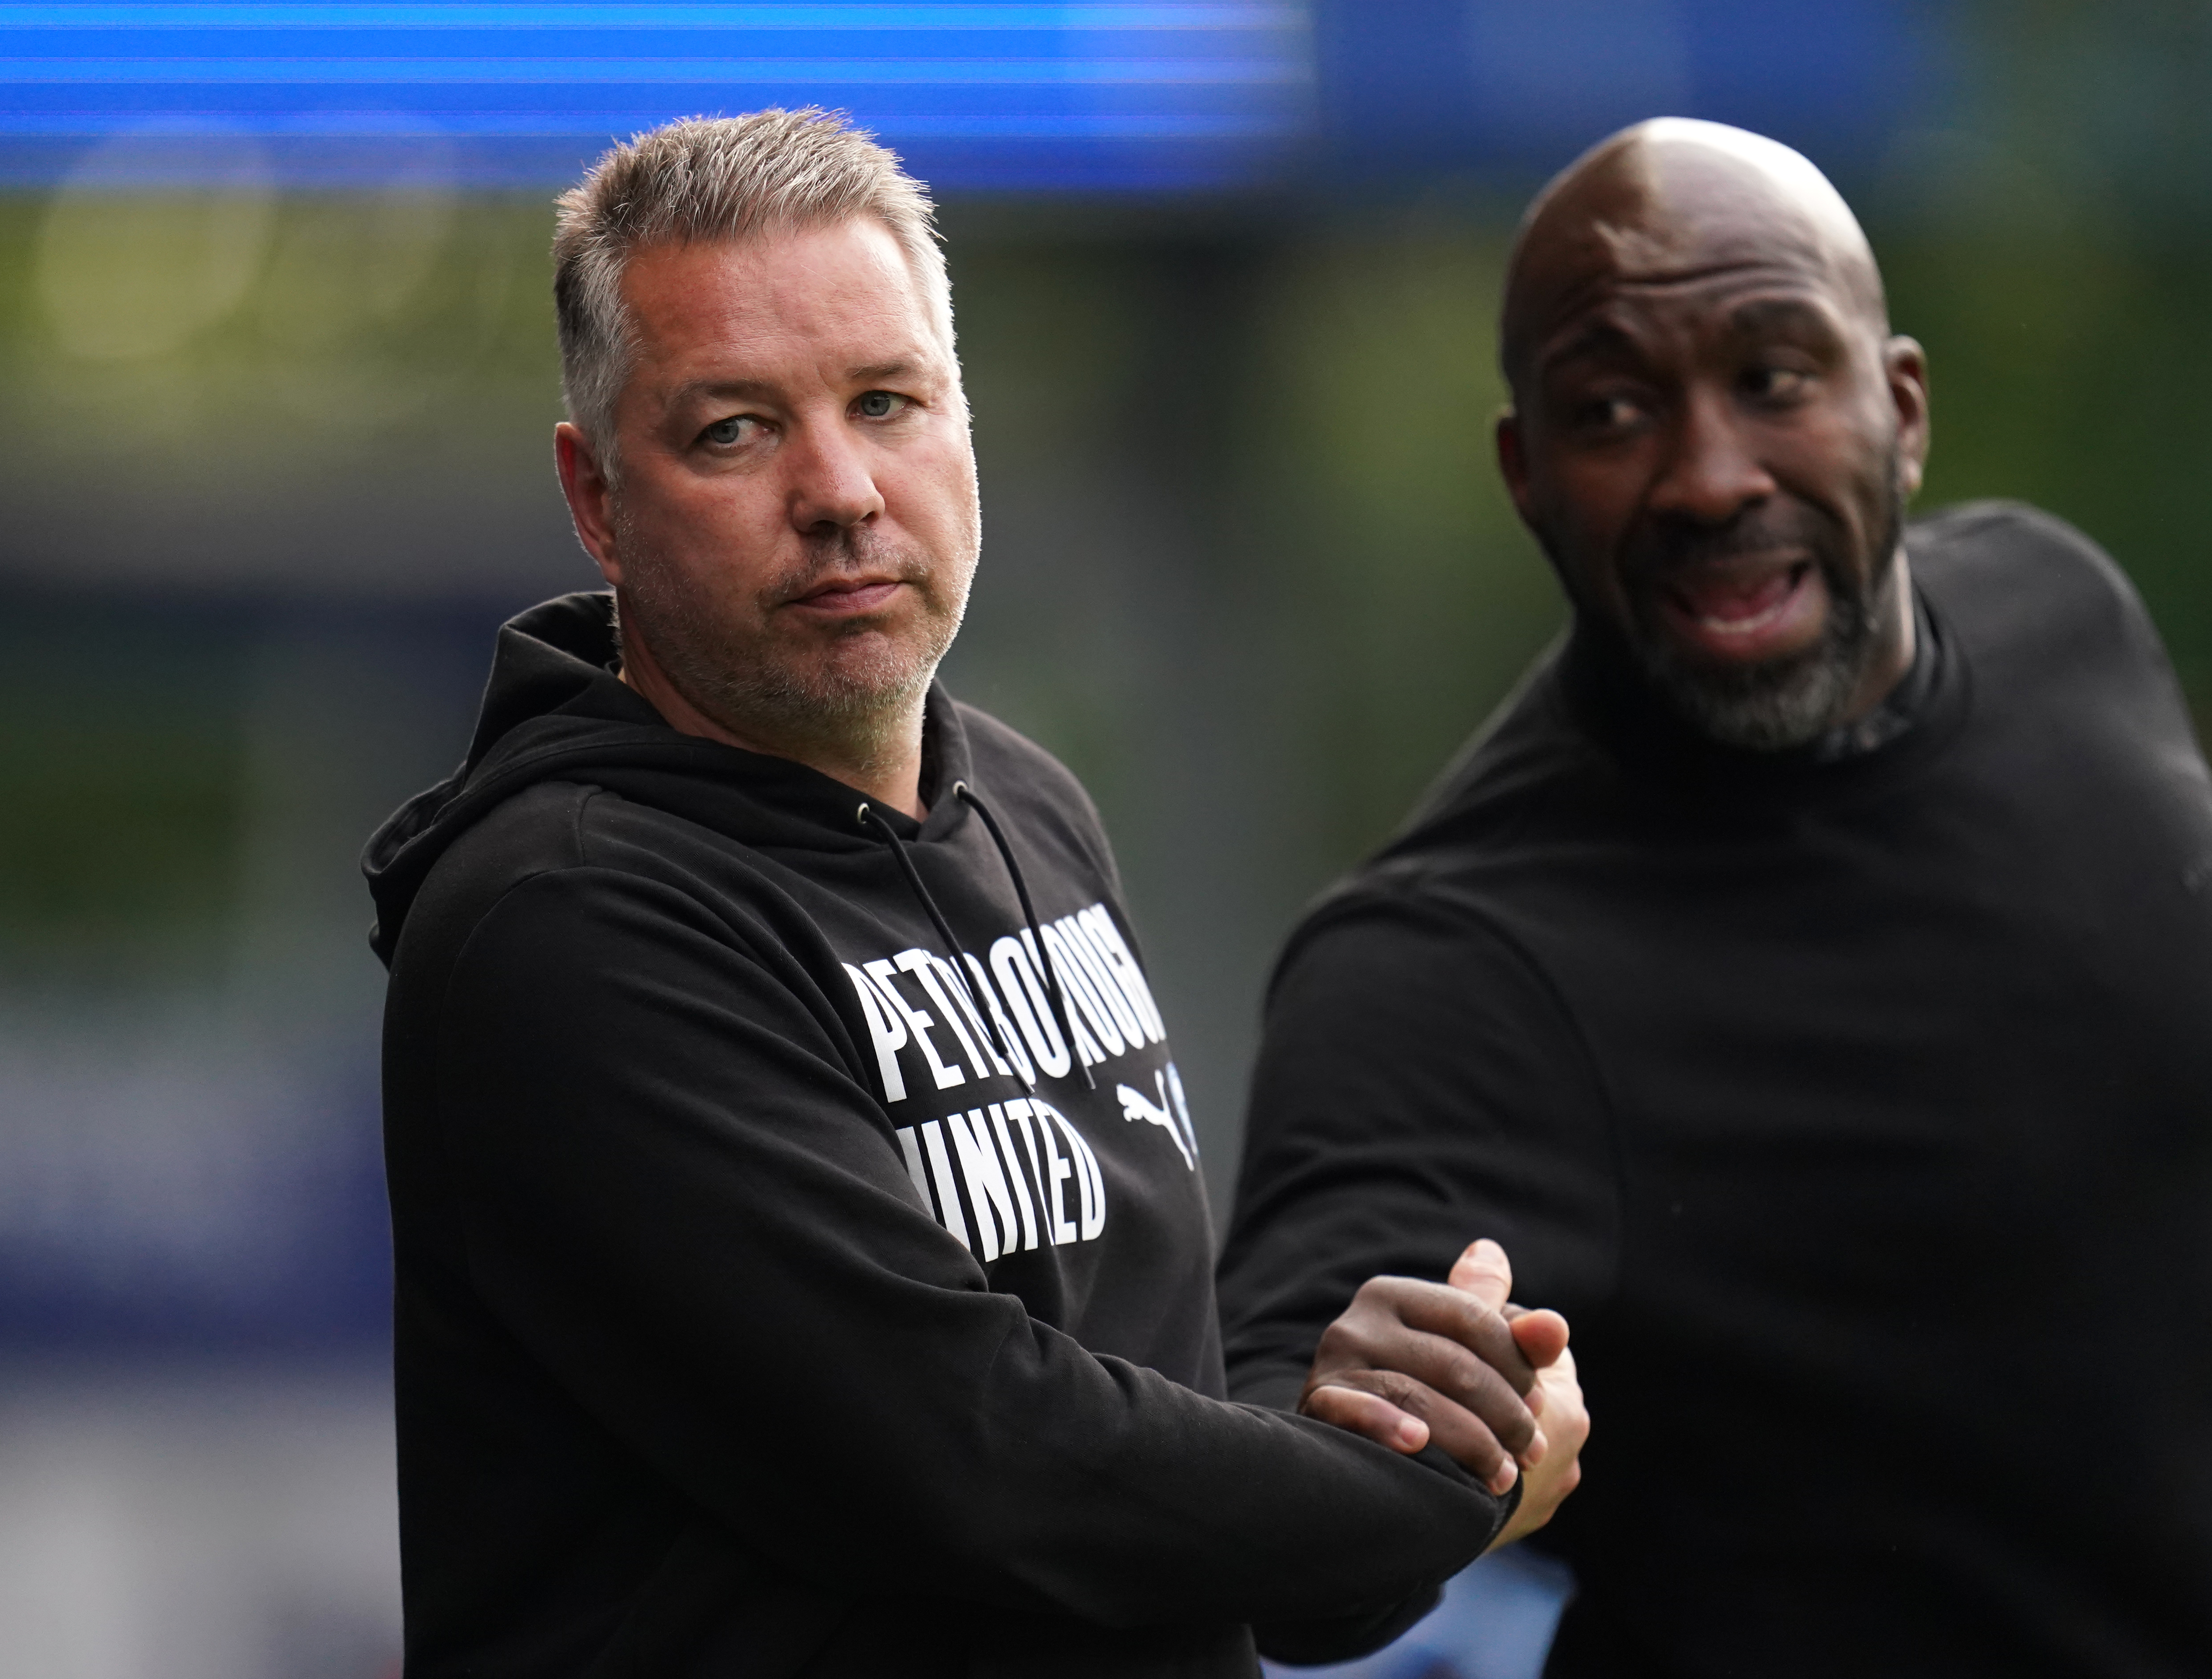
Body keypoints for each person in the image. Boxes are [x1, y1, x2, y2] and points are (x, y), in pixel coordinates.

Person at [362, 109, 1584, 1678]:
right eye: (734, 428)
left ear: (964, 419)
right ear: (597, 499)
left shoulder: (1030, 803)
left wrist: (1399, 1426)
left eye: (888, 402)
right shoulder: (563, 923)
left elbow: (1171, 1486)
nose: (841, 491)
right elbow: (991, 1463)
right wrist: (1427, 1504)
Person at [1217, 117, 2212, 1676]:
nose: (1711, 477)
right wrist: (1366, 1428)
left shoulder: (2065, 613)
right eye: (1613, 408)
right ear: (1527, 475)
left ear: (1900, 410)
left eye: (1775, 378)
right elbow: (1278, 1548)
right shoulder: (1449, 968)